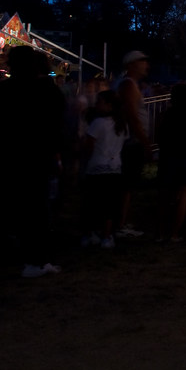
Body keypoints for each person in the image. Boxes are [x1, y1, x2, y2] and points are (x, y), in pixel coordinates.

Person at [0, 46, 66, 278]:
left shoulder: (7, 90)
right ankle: (35, 259)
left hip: (12, 156)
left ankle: (23, 253)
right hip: (37, 156)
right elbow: (56, 124)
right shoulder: (46, 91)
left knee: (17, 206)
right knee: (36, 208)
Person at [154, 82, 186, 243]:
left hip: (168, 157)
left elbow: (158, 137)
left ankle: (162, 233)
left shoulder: (165, 115)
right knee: (183, 196)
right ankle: (175, 233)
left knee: (164, 196)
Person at [80, 89, 129, 249]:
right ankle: (107, 236)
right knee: (110, 204)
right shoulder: (121, 124)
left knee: (92, 202)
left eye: (99, 102)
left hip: (97, 167)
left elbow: (89, 145)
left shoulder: (98, 124)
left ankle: (89, 233)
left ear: (108, 105)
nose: (96, 104)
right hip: (115, 168)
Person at [115, 51, 151, 238]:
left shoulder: (130, 84)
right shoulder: (128, 85)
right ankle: (119, 224)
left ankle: (119, 222)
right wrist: (144, 141)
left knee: (127, 185)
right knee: (126, 186)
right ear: (131, 65)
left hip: (131, 141)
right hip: (131, 143)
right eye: (142, 62)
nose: (146, 66)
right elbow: (132, 116)